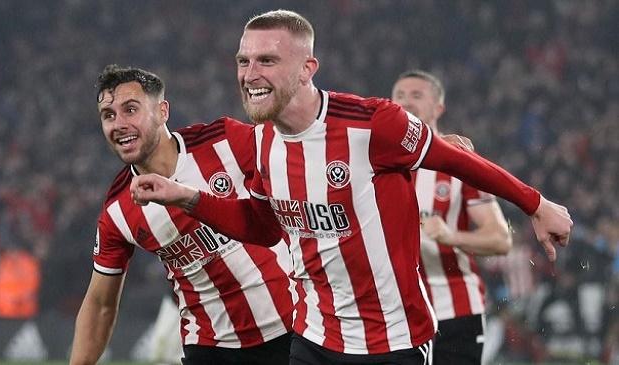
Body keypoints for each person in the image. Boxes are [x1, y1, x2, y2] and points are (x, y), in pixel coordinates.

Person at [129, 10, 572, 365]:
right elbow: (264, 227)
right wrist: (186, 196)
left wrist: (535, 204)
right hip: (313, 337)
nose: (250, 73)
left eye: (267, 60)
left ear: (307, 69)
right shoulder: (261, 141)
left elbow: (458, 161)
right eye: (243, 61)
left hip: (393, 342)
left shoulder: (373, 124)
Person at [69, 65, 294, 365]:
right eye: (108, 116)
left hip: (294, 327)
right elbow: (100, 304)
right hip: (211, 349)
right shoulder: (118, 211)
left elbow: (296, 168)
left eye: (130, 109)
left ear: (162, 111)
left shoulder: (225, 141)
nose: (118, 124)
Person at [391, 70, 512, 364]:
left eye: (417, 96)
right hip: (395, 315)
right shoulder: (376, 163)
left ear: (438, 108)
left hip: (454, 312)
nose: (406, 102)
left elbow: (500, 239)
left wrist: (451, 236)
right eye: (399, 97)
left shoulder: (459, 162)